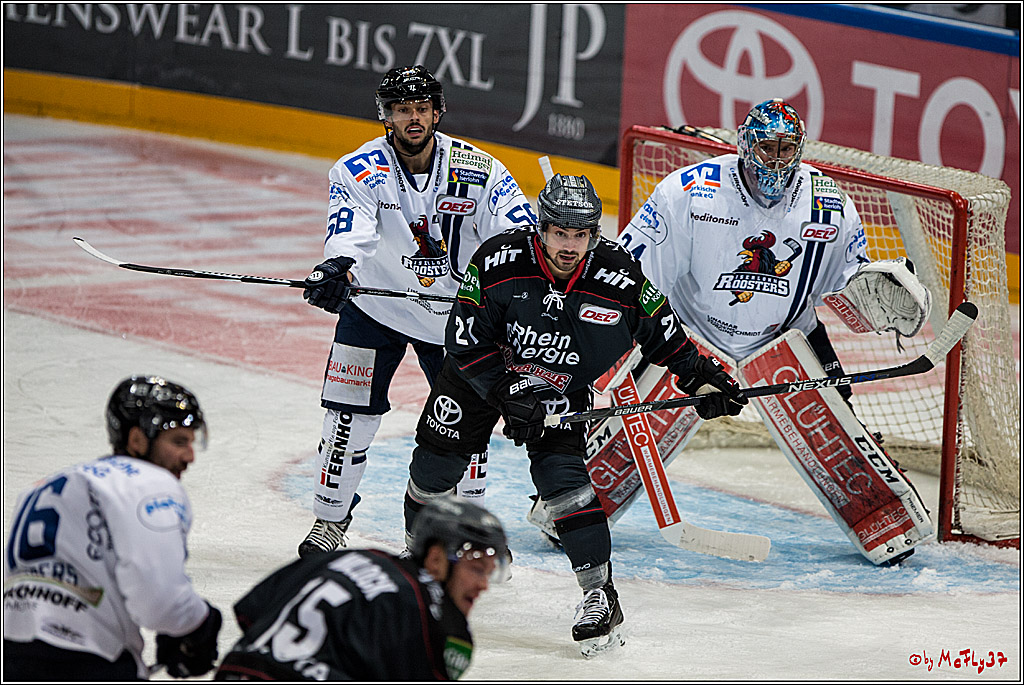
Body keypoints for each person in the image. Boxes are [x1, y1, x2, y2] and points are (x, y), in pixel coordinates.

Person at [552, 98, 933, 565]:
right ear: (744, 144)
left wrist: (870, 286)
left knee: (838, 427)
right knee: (630, 431)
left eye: (786, 148)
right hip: (692, 333)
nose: (776, 159)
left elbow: (847, 283)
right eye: (766, 146)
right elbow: (635, 269)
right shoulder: (691, 191)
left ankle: (886, 519)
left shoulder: (829, 203)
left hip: (788, 335)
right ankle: (569, 511)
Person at [402, 173, 748, 657]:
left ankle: (599, 596)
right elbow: (462, 341)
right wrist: (506, 393)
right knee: (434, 469)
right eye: (560, 232)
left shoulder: (621, 276)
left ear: (593, 234)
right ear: (541, 228)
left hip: (559, 386)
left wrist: (704, 380)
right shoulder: (498, 260)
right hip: (482, 375)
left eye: (580, 234)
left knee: (565, 485)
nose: (569, 245)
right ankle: (416, 565)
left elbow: (663, 335)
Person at [297, 64, 538, 558]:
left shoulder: (482, 170)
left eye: (422, 109)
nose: (413, 119)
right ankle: (330, 520)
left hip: (457, 318)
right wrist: (338, 266)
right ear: (386, 115)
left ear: (437, 111)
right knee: (346, 420)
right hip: (375, 306)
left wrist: (524, 292)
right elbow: (351, 227)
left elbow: (516, 233)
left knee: (467, 428)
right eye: (402, 110)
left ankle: (468, 529)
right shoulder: (357, 168)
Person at [3, 375, 222, 681]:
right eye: (178, 442)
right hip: (88, 663)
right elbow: (160, 603)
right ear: (137, 440)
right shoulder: (151, 483)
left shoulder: (43, 486)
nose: (190, 456)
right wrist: (200, 624)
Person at [214, 496, 508, 680]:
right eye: (476, 569)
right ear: (435, 559)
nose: (483, 585)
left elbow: (251, 613)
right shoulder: (431, 616)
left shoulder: (350, 558)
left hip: (235, 671)